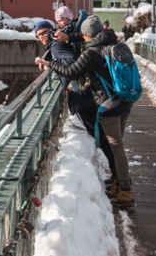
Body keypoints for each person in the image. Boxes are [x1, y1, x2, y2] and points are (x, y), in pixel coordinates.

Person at [37, 16, 136, 207]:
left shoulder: (92, 52)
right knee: (117, 146)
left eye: (82, 34)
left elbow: (71, 72)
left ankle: (125, 190)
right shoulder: (112, 41)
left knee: (117, 148)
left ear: (88, 35)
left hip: (109, 104)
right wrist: (69, 38)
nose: (80, 37)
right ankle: (118, 183)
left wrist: (50, 64)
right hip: (124, 100)